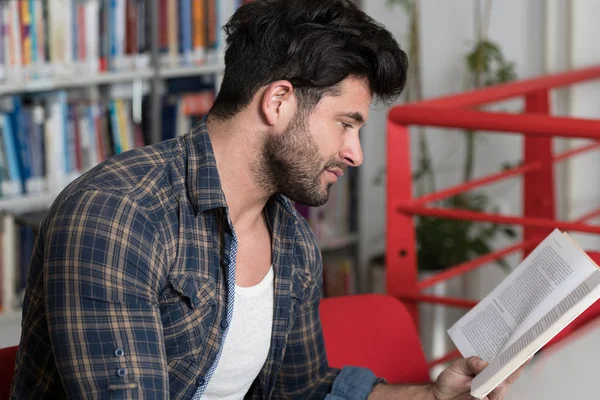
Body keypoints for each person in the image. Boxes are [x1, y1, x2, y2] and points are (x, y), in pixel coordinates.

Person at [11, 0, 525, 399]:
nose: (355, 154)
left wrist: (428, 395)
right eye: (346, 124)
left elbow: (300, 390)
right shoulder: (118, 214)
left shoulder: (292, 240)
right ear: (278, 102)